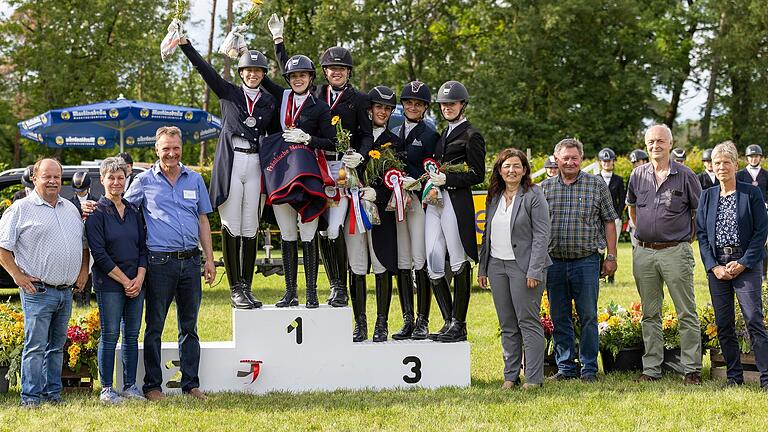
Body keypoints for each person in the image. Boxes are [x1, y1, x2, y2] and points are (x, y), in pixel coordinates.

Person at [269, 14, 374, 308]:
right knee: (317, 224)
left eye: (341, 68)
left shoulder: (360, 99)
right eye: (331, 68)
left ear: (348, 72)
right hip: (313, 165)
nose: (336, 72)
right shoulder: (313, 93)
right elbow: (290, 73)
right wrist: (279, 42)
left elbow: (366, 135)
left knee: (334, 229)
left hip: (342, 166)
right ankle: (324, 285)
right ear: (324, 72)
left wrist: (361, 155)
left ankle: (339, 286)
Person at [180, 34, 277, 309]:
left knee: (251, 227)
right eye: (248, 70)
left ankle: (247, 286)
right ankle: (235, 288)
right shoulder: (229, 92)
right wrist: (187, 44)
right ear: (241, 72)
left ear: (263, 74)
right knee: (232, 225)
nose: (253, 74)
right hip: (233, 160)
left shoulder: (269, 101)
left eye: (258, 70)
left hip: (256, 161)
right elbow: (204, 69)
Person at [124, 126, 216, 401]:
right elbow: (124, 211)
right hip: (159, 263)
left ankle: (191, 384)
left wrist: (209, 259)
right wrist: (95, 207)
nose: (171, 153)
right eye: (166, 149)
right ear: (157, 150)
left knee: (190, 326)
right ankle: (152, 386)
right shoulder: (142, 182)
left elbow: (203, 220)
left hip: (190, 262)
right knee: (154, 327)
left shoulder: (195, 179)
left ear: (181, 148)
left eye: (175, 148)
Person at [0, 158, 90, 407]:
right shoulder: (21, 208)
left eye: (56, 177)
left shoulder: (70, 208)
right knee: (36, 347)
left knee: (57, 348)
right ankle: (31, 397)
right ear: (35, 177)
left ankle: (53, 394)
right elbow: (2, 248)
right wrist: (17, 276)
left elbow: (83, 245)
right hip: (37, 291)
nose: (52, 181)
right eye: (46, 176)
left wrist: (83, 272)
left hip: (65, 292)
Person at [626, 124, 702, 385]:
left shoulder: (686, 175)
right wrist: (643, 233)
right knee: (650, 313)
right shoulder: (637, 175)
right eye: (650, 142)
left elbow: (698, 213)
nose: (655, 146)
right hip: (644, 253)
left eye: (660, 141)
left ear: (670, 144)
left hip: (675, 252)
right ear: (646, 145)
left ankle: (691, 368)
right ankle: (651, 368)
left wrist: (683, 240)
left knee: (685, 311)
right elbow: (632, 209)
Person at [259, 53, 337, 309]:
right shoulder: (281, 98)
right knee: (287, 233)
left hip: (307, 174)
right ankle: (290, 291)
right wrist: (273, 43)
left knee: (308, 232)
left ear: (311, 78)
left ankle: (312, 292)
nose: (298, 79)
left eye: (302, 75)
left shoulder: (320, 107)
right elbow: (260, 77)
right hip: (281, 172)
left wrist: (308, 139)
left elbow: (332, 142)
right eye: (293, 76)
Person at [542, 139, 618, 382]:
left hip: (586, 262)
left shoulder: (596, 185)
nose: (570, 162)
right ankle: (565, 367)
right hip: (553, 262)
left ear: (581, 159)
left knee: (588, 316)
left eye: (574, 158)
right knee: (559, 316)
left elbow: (609, 221)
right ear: (556, 159)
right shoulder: (544, 188)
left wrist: (612, 256)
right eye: (565, 158)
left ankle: (588, 368)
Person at [696, 141, 768, 390]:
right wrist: (714, 266)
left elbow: (761, 232)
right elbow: (702, 235)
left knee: (753, 320)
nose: (721, 167)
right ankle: (734, 377)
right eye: (717, 163)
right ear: (712, 166)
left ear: (735, 165)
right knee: (724, 323)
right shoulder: (707, 196)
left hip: (746, 263)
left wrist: (744, 262)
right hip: (718, 267)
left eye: (726, 162)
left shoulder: (751, 193)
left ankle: (766, 378)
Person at [478, 148, 551, 389]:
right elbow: (487, 233)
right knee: (507, 323)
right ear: (499, 170)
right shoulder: (494, 196)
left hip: (524, 267)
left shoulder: (533, 194)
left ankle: (533, 378)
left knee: (527, 321)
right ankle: (510, 376)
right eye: (507, 166)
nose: (512, 170)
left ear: (524, 170)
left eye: (517, 166)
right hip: (497, 266)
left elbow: (542, 235)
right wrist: (483, 268)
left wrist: (535, 270)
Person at [425, 80, 486, 343]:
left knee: (458, 259)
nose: (447, 108)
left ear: (462, 105)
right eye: (443, 105)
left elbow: (477, 174)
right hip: (435, 200)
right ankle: (448, 320)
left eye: (452, 104)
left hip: (455, 200)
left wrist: (447, 180)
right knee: (433, 258)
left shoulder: (472, 135)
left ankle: (459, 323)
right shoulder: (442, 134)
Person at [85, 157, 147, 403]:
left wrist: (139, 278)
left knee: (132, 335)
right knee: (110, 335)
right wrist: (125, 281)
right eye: (111, 177)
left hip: (136, 283)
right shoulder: (96, 214)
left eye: (120, 177)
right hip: (110, 284)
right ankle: (107, 389)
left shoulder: (133, 210)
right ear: (102, 180)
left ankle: (131, 387)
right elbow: (99, 254)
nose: (116, 182)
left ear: (126, 180)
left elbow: (144, 247)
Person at [346, 86, 400, 342]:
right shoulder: (354, 139)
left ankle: (381, 323)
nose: (383, 112)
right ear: (370, 110)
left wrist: (376, 193)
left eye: (387, 109)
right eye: (379, 107)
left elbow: (395, 181)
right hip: (355, 209)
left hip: (379, 212)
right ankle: (359, 323)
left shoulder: (395, 141)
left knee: (381, 266)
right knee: (356, 266)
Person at [390, 81, 439, 340]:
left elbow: (433, 170)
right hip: (396, 202)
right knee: (402, 260)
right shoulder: (393, 131)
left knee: (419, 259)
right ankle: (407, 318)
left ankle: (423, 319)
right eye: (408, 102)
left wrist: (418, 180)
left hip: (419, 202)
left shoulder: (430, 134)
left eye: (417, 104)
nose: (412, 106)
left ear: (424, 108)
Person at [735, 144, 768, 280]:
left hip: (765, 210)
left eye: (756, 156)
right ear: (747, 158)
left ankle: (763, 273)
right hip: (746, 212)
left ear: (760, 157)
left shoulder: (766, 174)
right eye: (751, 156)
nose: (754, 159)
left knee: (764, 242)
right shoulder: (740, 174)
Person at [69, 170, 98, 308]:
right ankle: (78, 298)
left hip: (91, 241)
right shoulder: (69, 203)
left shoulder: (96, 200)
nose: (80, 192)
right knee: (77, 267)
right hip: (76, 241)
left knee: (90, 267)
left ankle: (87, 297)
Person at [598, 147, 625, 284]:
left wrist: (617, 216)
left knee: (612, 246)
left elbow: (621, 199)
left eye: (609, 161)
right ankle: (600, 274)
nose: (607, 163)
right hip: (598, 219)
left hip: (614, 219)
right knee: (600, 247)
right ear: (601, 162)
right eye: (605, 161)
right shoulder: (595, 178)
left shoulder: (618, 180)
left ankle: (612, 276)